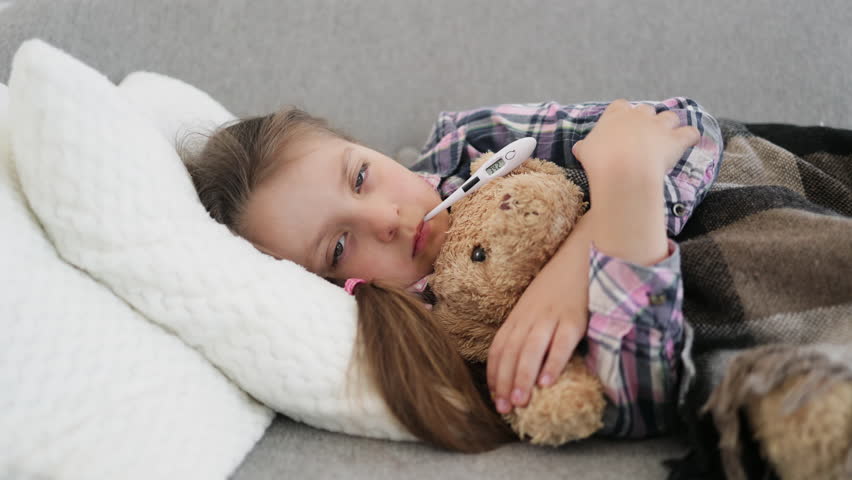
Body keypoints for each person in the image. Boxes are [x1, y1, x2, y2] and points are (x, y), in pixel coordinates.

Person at [182, 98, 722, 453]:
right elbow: (640, 398)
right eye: (341, 246)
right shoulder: (439, 336)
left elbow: (680, 125)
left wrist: (578, 259)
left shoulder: (467, 139)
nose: (386, 220)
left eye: (362, 176)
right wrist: (625, 189)